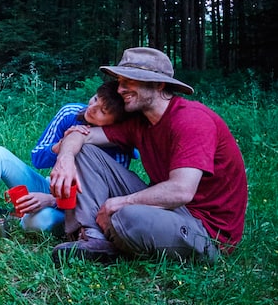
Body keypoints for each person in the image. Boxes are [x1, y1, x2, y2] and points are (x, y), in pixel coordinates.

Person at [49, 47, 248, 264]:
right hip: (167, 211)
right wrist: (65, 158)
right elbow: (83, 136)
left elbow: (181, 190)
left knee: (128, 216)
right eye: (120, 81)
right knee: (85, 151)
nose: (120, 89)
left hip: (204, 231)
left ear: (158, 84)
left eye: (130, 81)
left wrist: (121, 203)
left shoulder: (191, 120)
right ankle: (94, 239)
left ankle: (118, 236)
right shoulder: (140, 121)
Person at [0, 81, 130, 245]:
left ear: (116, 121)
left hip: (77, 211)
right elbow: (37, 158)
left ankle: (18, 216)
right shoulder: (71, 113)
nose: (92, 108)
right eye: (94, 99)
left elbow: (102, 202)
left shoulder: (118, 144)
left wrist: (52, 200)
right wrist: (58, 147)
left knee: (39, 222)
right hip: (49, 186)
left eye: (102, 110)